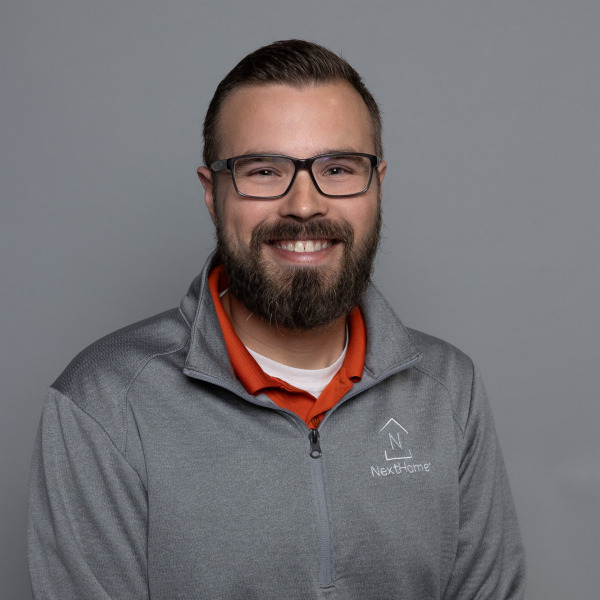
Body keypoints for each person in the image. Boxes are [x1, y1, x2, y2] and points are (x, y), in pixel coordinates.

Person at [27, 39, 526, 599]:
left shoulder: (448, 389)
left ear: (378, 186)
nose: (304, 205)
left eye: (338, 168)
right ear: (213, 194)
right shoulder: (103, 405)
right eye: (264, 170)